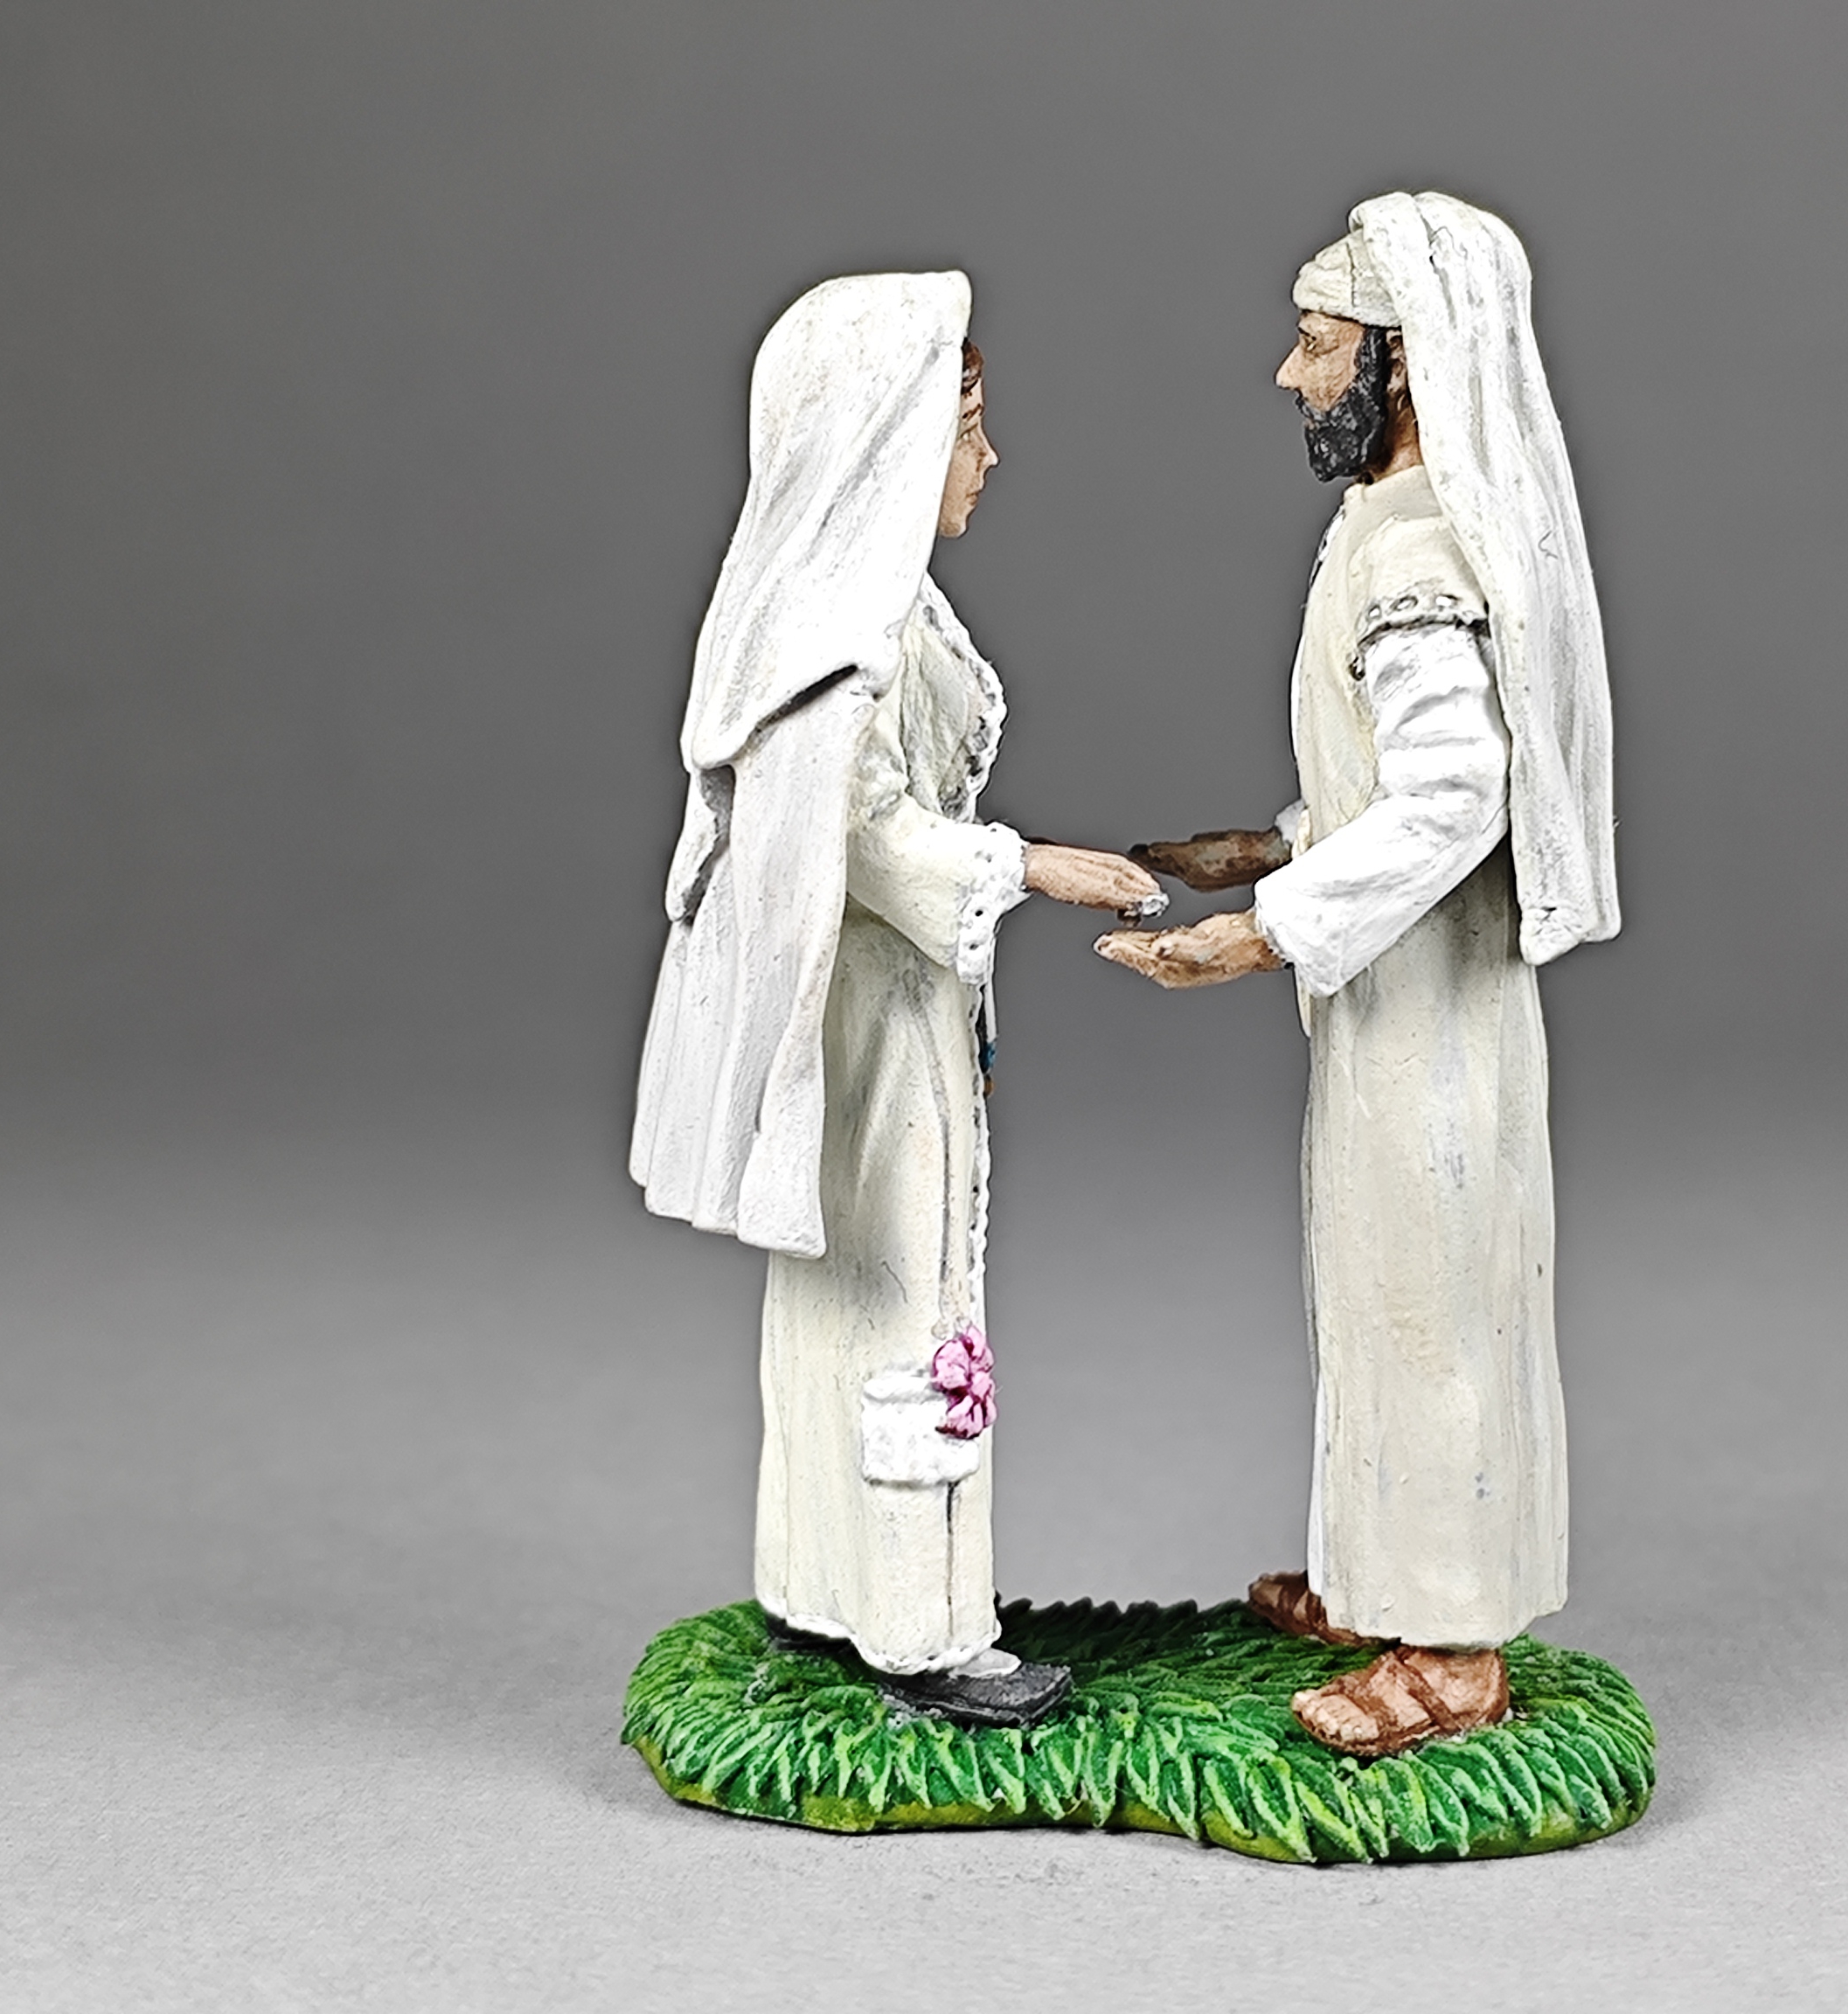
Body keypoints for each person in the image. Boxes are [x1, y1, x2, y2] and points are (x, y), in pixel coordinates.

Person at [1099, 194, 1618, 1757]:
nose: (1291, 374)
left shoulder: (1419, 548)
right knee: (1382, 1292)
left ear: (1400, 363)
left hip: (1429, 1016)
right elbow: (1390, 783)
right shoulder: (1391, 522)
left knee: (1431, 1309)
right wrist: (1270, 846)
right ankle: (1387, 1578)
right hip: (1391, 1012)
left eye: (1318, 344)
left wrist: (1268, 926)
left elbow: (1455, 799)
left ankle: (1450, 1653)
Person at [633, 272, 1161, 1726]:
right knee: (903, 1294)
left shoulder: (879, 605)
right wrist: (1028, 864)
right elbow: (856, 832)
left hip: (904, 1004)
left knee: (864, 1288)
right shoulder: (839, 644)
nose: (989, 459)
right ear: (891, 444)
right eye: (967, 430)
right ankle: (919, 1627)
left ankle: (834, 1583)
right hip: (869, 1025)